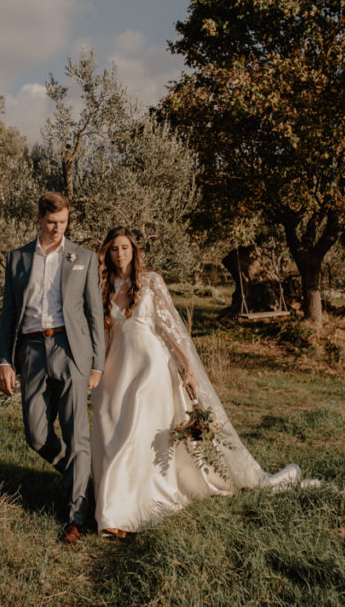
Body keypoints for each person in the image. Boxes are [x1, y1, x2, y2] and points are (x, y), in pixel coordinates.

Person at [92, 226, 312, 538]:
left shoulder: (151, 281)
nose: (120, 254)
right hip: (117, 368)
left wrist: (188, 368)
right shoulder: (105, 285)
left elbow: (171, 328)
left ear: (134, 250)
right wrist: (96, 370)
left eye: (125, 247)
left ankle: (120, 514)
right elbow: (103, 332)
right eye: (114, 248)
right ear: (108, 252)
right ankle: (118, 503)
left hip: (149, 368)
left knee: (136, 434)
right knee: (113, 432)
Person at [0, 192, 106, 545]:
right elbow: (8, 315)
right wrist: (4, 360)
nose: (58, 228)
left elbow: (94, 315)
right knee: (36, 434)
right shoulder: (17, 259)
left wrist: (97, 364)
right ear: (39, 219)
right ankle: (79, 475)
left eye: (63, 222)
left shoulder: (84, 258)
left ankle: (76, 514)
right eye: (51, 222)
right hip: (30, 350)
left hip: (71, 350)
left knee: (78, 435)